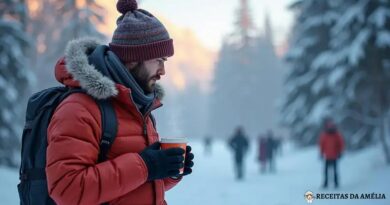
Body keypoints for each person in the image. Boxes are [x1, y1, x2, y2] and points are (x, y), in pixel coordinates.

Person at [45, 0, 195, 204]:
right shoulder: (79, 109)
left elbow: (133, 186)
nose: (162, 71)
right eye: (158, 60)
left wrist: (167, 170)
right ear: (133, 58)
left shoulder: (139, 106)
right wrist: (146, 165)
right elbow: (68, 189)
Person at [319, 120, 344, 189]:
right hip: (327, 156)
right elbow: (321, 145)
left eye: (331, 127)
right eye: (329, 127)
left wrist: (340, 152)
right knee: (326, 171)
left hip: (334, 156)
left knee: (335, 171)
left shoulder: (336, 135)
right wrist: (321, 153)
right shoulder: (324, 135)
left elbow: (341, 144)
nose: (330, 128)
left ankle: (336, 183)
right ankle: (325, 183)